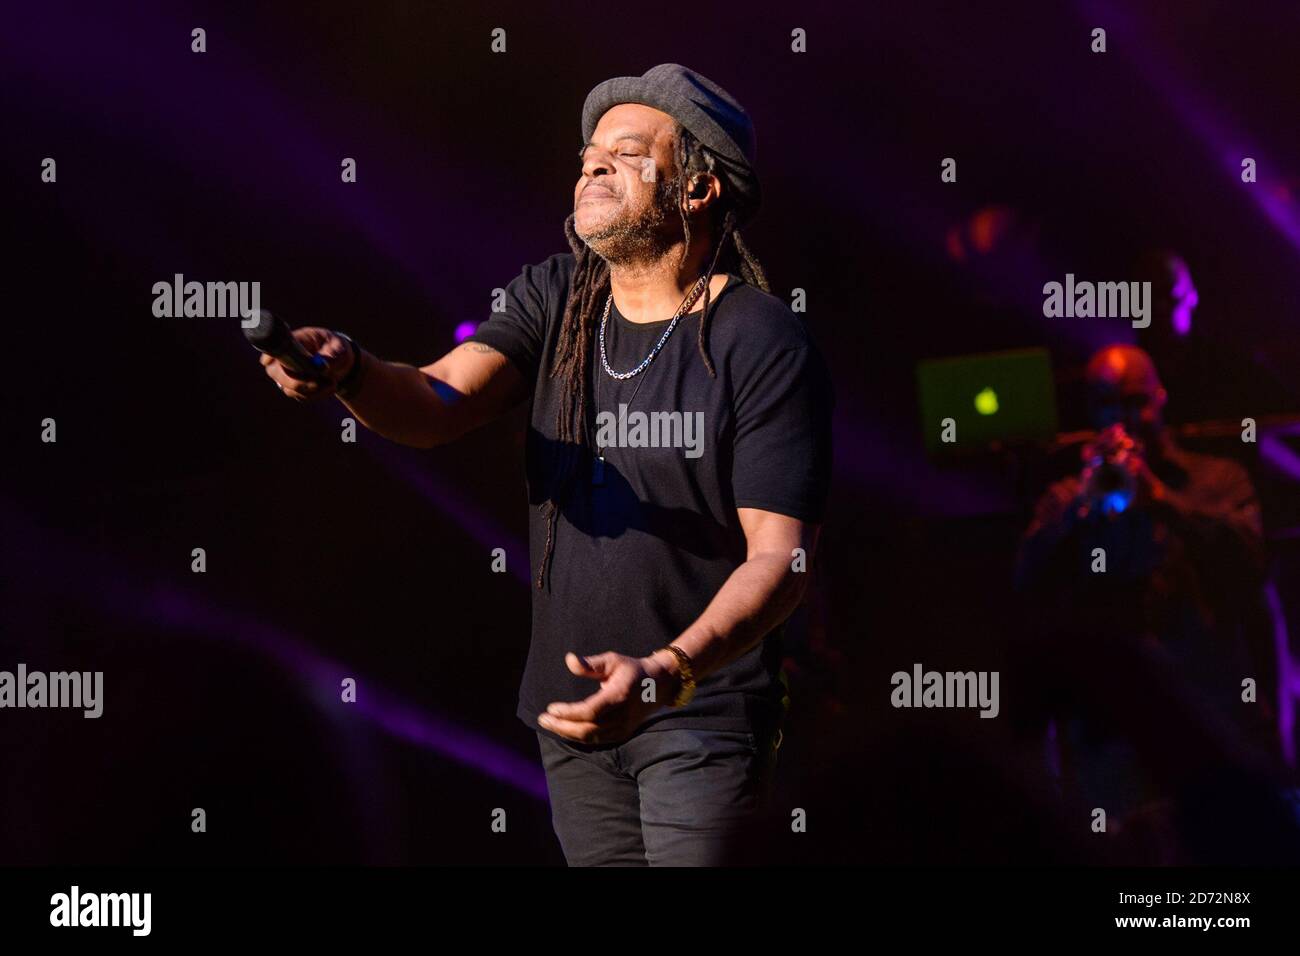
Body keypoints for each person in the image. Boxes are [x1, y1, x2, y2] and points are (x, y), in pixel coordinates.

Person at [258, 63, 834, 866]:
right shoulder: (556, 297)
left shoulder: (759, 339)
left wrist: (665, 673)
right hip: (572, 719)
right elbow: (436, 401)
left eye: (628, 153)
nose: (592, 164)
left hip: (699, 713)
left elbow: (783, 557)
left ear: (699, 190)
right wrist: (351, 369)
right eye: (588, 152)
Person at [1015, 344, 1277, 849]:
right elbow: (1026, 579)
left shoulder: (1218, 479)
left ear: (1161, 396)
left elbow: (1252, 560)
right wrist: (1076, 514)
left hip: (1211, 716)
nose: (1123, 419)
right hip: (1110, 734)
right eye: (1107, 406)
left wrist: (1162, 499)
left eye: (1135, 402)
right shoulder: (1068, 496)